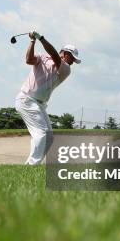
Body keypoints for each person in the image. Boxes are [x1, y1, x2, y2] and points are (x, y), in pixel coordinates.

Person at [14, 31, 81, 165]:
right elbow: (29, 60)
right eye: (72, 57)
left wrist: (41, 38)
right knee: (42, 133)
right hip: (26, 99)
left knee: (48, 137)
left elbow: (55, 56)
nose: (73, 61)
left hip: (39, 104)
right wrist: (32, 41)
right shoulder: (43, 57)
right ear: (65, 53)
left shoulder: (66, 69)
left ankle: (31, 163)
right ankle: (32, 165)